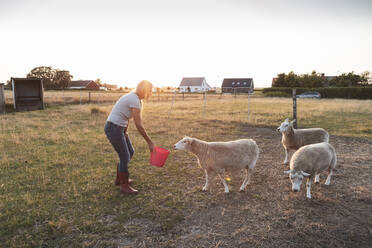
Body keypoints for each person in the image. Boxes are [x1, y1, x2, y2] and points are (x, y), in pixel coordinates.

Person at [104, 80, 154, 195]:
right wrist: (149, 142)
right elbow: (139, 125)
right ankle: (124, 185)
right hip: (113, 128)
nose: (151, 93)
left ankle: (119, 179)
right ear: (144, 90)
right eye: (150, 90)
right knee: (125, 156)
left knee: (130, 152)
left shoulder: (136, 99)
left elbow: (125, 115)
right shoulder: (134, 99)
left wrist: (125, 131)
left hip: (119, 128)